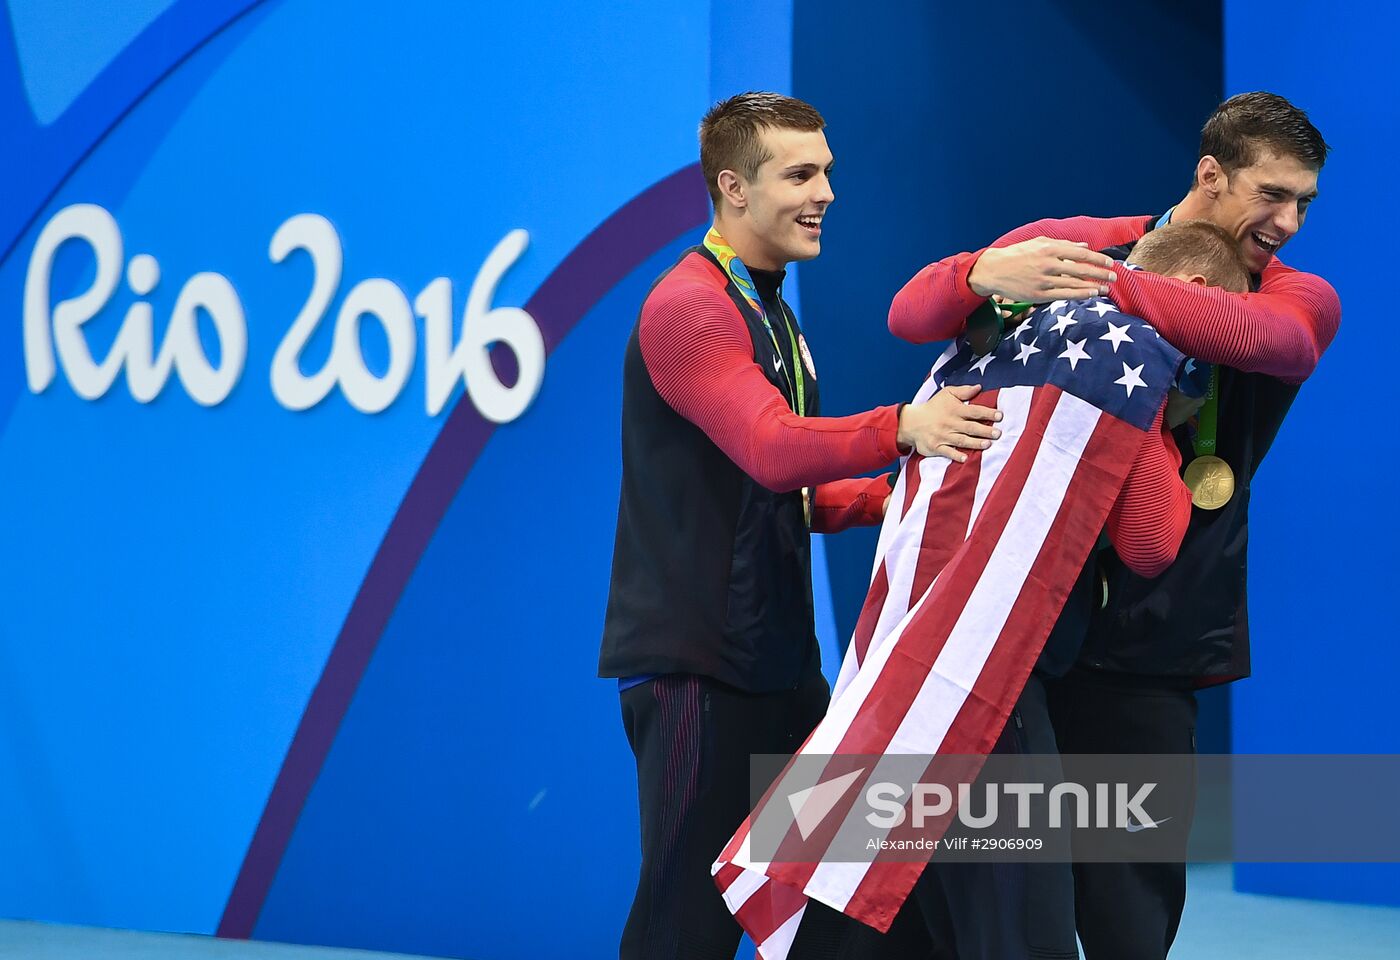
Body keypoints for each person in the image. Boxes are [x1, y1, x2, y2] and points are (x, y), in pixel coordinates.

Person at [885, 91, 1338, 959]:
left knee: (1131, 925)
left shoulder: (1292, 292)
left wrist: (1117, 291)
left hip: (1152, 651)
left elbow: (1282, 344)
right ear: (1211, 173)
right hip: (1027, 640)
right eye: (1272, 194)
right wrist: (982, 272)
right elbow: (910, 316)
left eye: (1304, 202)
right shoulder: (1077, 239)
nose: (1288, 221)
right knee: (1013, 907)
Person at [598, 92, 1004, 960]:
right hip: (697, 675)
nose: (825, 192)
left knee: (856, 900)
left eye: (827, 171)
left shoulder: (774, 308)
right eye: (800, 174)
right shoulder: (691, 309)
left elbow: (786, 498)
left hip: (782, 669)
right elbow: (773, 451)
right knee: (686, 925)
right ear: (732, 189)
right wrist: (904, 426)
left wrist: (904, 496)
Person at [840, 219, 1252, 960]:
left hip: (894, 672)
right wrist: (1162, 416)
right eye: (1216, 330)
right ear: (1190, 298)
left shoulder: (1002, 330)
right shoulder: (1125, 354)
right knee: (1022, 938)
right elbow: (1151, 544)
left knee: (914, 931)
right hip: (987, 684)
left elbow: (907, 316)